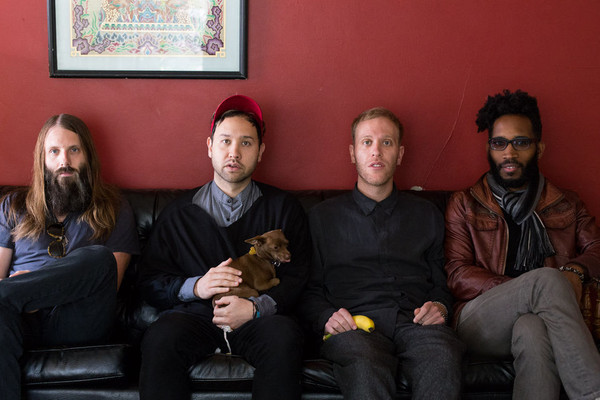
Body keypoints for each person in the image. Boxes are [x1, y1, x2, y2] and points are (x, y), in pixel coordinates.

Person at [137, 95, 310, 400]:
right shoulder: (178, 214)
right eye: (225, 141)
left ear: (260, 151)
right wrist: (196, 287)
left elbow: (298, 276)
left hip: (260, 320)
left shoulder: (284, 209)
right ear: (210, 146)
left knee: (284, 338)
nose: (234, 152)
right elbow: (151, 281)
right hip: (195, 316)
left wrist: (256, 308)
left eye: (246, 143)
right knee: (160, 338)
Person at [445, 89, 600, 400]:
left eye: (521, 143)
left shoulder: (566, 203)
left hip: (543, 316)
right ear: (489, 148)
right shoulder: (465, 203)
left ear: (538, 148)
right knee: (546, 281)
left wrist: (576, 270)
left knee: (532, 329)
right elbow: (457, 273)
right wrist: (521, 290)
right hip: (480, 319)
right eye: (499, 143)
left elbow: (596, 248)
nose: (509, 153)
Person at [300, 107, 464, 400]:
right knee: (365, 363)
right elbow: (308, 289)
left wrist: (440, 306)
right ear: (353, 153)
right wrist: (326, 316)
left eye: (386, 142)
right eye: (367, 142)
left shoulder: (427, 214)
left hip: (416, 324)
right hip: (355, 327)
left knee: (443, 355)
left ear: (399, 154)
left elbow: (442, 283)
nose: (376, 151)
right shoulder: (321, 217)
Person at [0, 114, 139, 400]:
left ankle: (19, 294)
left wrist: (31, 291)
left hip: (79, 319)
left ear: (87, 156)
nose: (65, 161)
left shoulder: (114, 207)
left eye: (74, 150)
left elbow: (110, 284)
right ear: (42, 159)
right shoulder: (12, 207)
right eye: (54, 151)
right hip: (20, 321)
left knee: (100, 259)